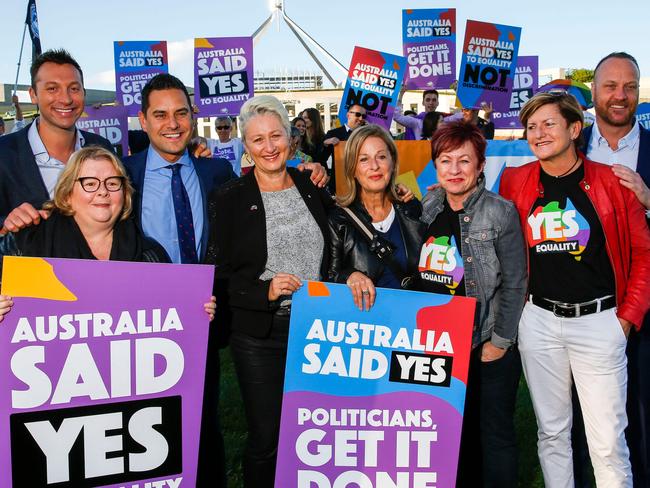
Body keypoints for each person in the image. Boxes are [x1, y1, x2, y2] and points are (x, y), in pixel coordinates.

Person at [500, 91, 650, 488]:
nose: (538, 133)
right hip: (539, 322)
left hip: (600, 323)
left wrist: (627, 319)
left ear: (573, 128)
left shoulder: (613, 182)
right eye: (531, 126)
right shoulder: (516, 181)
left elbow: (644, 254)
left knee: (606, 444)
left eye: (549, 123)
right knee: (551, 434)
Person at [206, 95, 333, 488]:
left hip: (316, 331)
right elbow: (221, 275)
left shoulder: (313, 186)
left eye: (275, 135)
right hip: (260, 336)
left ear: (290, 138)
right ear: (245, 144)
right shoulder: (228, 198)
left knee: (317, 435)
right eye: (258, 139)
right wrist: (265, 291)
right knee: (268, 439)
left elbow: (337, 245)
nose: (269, 146)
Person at [417, 121, 527, 487]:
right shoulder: (428, 205)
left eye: (464, 161)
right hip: (440, 346)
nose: (454, 170)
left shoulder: (501, 212)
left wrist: (500, 341)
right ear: (435, 165)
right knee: (450, 436)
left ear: (481, 165)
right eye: (445, 161)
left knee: (493, 436)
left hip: (485, 343)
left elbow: (515, 283)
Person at [572, 51, 650, 487]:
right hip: (587, 309)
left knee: (642, 408)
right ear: (594, 94)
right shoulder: (571, 146)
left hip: (645, 306)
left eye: (630, 87)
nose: (620, 96)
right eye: (610, 86)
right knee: (590, 417)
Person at [0, 49, 113, 228]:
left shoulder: (102, 148)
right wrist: (5, 224)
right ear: (33, 94)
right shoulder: (4, 153)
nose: (66, 99)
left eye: (74, 89)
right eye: (52, 89)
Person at [327, 124, 424, 308]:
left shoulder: (410, 209)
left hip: (411, 322)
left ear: (393, 162)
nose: (374, 166)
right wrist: (348, 276)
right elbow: (329, 276)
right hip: (366, 326)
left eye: (381, 157)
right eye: (364, 159)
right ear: (352, 168)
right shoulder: (339, 220)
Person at [322, 104, 367, 193]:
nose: (361, 118)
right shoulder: (333, 133)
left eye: (364, 116)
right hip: (339, 185)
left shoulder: (367, 134)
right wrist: (325, 144)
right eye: (358, 114)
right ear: (348, 115)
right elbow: (321, 158)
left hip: (362, 186)